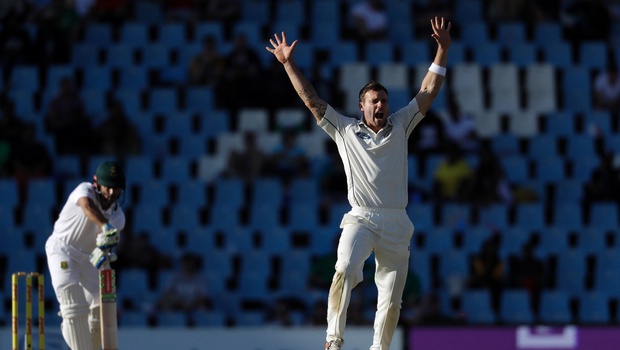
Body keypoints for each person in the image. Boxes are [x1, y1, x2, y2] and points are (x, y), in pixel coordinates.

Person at [266, 16, 451, 350]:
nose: (381, 105)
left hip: (397, 220)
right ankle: (333, 341)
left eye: (384, 100)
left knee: (391, 301)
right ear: (362, 106)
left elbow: (428, 90)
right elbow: (312, 101)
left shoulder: (401, 124)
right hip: (362, 216)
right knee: (346, 267)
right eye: (374, 101)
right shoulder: (345, 129)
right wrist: (289, 65)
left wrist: (442, 50)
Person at [45, 161, 126, 350]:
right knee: (72, 301)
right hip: (63, 250)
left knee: (100, 306)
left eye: (116, 188)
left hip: (89, 259)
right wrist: (105, 226)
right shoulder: (84, 190)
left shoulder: (119, 217)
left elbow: (107, 243)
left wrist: (105, 251)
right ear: (97, 183)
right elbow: (87, 207)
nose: (112, 193)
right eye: (108, 187)